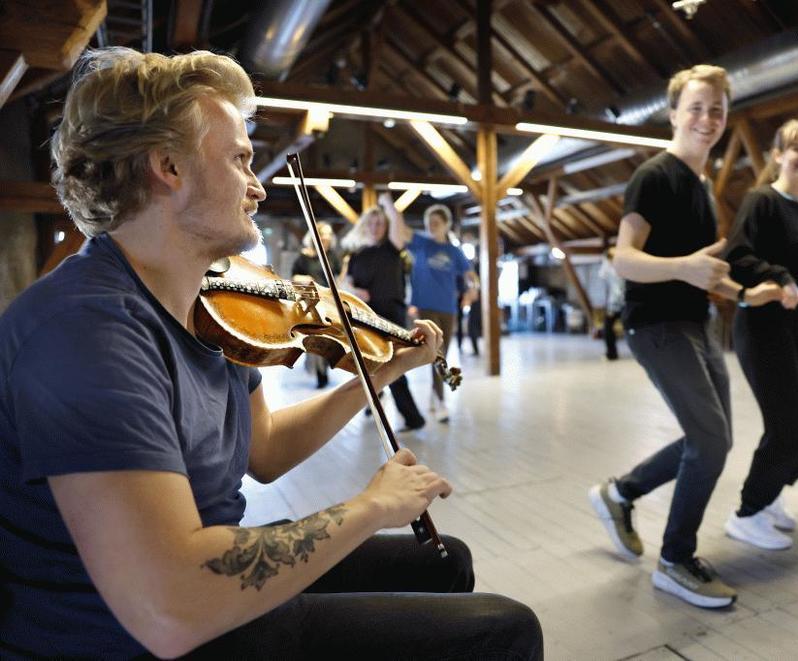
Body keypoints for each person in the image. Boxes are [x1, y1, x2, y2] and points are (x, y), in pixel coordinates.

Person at [0, 47, 542, 659]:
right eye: (240, 160)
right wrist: (369, 507)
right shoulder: (87, 333)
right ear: (168, 166)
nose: (257, 186)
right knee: (504, 629)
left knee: (443, 563)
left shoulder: (209, 304)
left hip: (195, 583)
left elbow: (266, 450)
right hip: (127, 639)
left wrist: (379, 373)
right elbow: (170, 606)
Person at [587, 64, 786, 609]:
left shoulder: (701, 186)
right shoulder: (655, 175)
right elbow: (624, 259)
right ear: (674, 113)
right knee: (712, 441)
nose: (707, 118)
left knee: (710, 436)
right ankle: (675, 562)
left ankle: (620, 492)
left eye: (717, 109)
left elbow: (705, 271)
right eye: (696, 107)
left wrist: (746, 294)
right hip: (656, 326)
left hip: (697, 323)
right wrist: (681, 268)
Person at [722, 118, 798, 551]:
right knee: (787, 428)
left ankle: (771, 490)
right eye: (796, 148)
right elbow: (736, 257)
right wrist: (778, 276)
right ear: (777, 155)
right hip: (762, 328)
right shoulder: (761, 201)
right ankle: (748, 513)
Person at [340, 204, 428, 432]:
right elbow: (345, 283)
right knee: (369, 366)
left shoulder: (392, 248)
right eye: (371, 223)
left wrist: (388, 203)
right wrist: (356, 291)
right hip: (366, 318)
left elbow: (397, 225)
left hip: (392, 316)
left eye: (380, 223)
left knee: (394, 368)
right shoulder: (357, 255)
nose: (375, 227)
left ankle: (413, 418)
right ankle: (374, 405)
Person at [390, 200, 479, 423]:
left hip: (448, 308)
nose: (432, 226)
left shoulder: (454, 251)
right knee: (436, 354)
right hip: (425, 307)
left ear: (446, 225)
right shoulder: (420, 243)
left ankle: (435, 394)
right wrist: (391, 207)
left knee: (442, 354)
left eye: (437, 223)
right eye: (429, 223)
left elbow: (471, 276)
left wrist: (472, 291)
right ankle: (440, 401)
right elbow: (400, 231)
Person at [291, 221, 341, 388]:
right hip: (312, 302)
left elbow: (340, 277)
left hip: (330, 302)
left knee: (328, 337)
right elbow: (294, 278)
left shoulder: (333, 255)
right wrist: (305, 279)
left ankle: (324, 367)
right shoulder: (304, 256)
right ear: (315, 236)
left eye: (328, 234)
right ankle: (320, 373)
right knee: (315, 337)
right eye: (323, 233)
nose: (326, 237)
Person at [598, 247, 625, 360]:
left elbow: (618, 290)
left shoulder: (616, 269)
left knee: (608, 327)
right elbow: (602, 274)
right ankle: (611, 353)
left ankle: (612, 354)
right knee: (608, 327)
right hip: (620, 303)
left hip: (619, 304)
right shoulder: (611, 267)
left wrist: (613, 307)